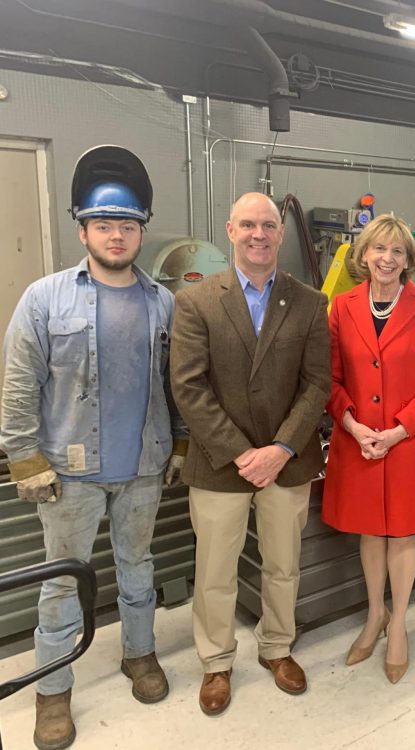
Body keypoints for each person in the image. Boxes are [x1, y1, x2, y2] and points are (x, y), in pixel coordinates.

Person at [0, 145, 186, 750]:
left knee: (138, 569)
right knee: (61, 585)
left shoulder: (164, 303)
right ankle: (52, 692)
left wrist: (180, 441)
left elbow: (178, 383)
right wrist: (23, 457)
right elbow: (20, 383)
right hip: (68, 475)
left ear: (141, 232)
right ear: (83, 228)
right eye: (104, 224)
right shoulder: (44, 298)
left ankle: (140, 654)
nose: (116, 234)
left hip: (142, 468)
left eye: (127, 225)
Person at [170, 192, 330, 715]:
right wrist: (244, 454)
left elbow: (317, 384)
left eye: (268, 225)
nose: (259, 234)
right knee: (215, 569)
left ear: (281, 234)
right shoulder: (196, 301)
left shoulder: (308, 301)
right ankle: (217, 662)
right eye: (248, 225)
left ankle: (277, 647)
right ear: (229, 231)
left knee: (283, 565)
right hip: (220, 463)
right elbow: (189, 388)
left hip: (288, 461)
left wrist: (281, 448)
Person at [322, 214, 415, 684]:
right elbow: (331, 380)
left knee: (402, 534)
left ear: (408, 261)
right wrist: (354, 426)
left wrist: (397, 431)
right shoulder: (342, 308)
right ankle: (374, 614)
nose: (387, 258)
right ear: (364, 255)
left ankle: (398, 624)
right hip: (357, 441)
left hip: (407, 445)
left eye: (397, 251)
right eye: (379, 248)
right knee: (370, 533)